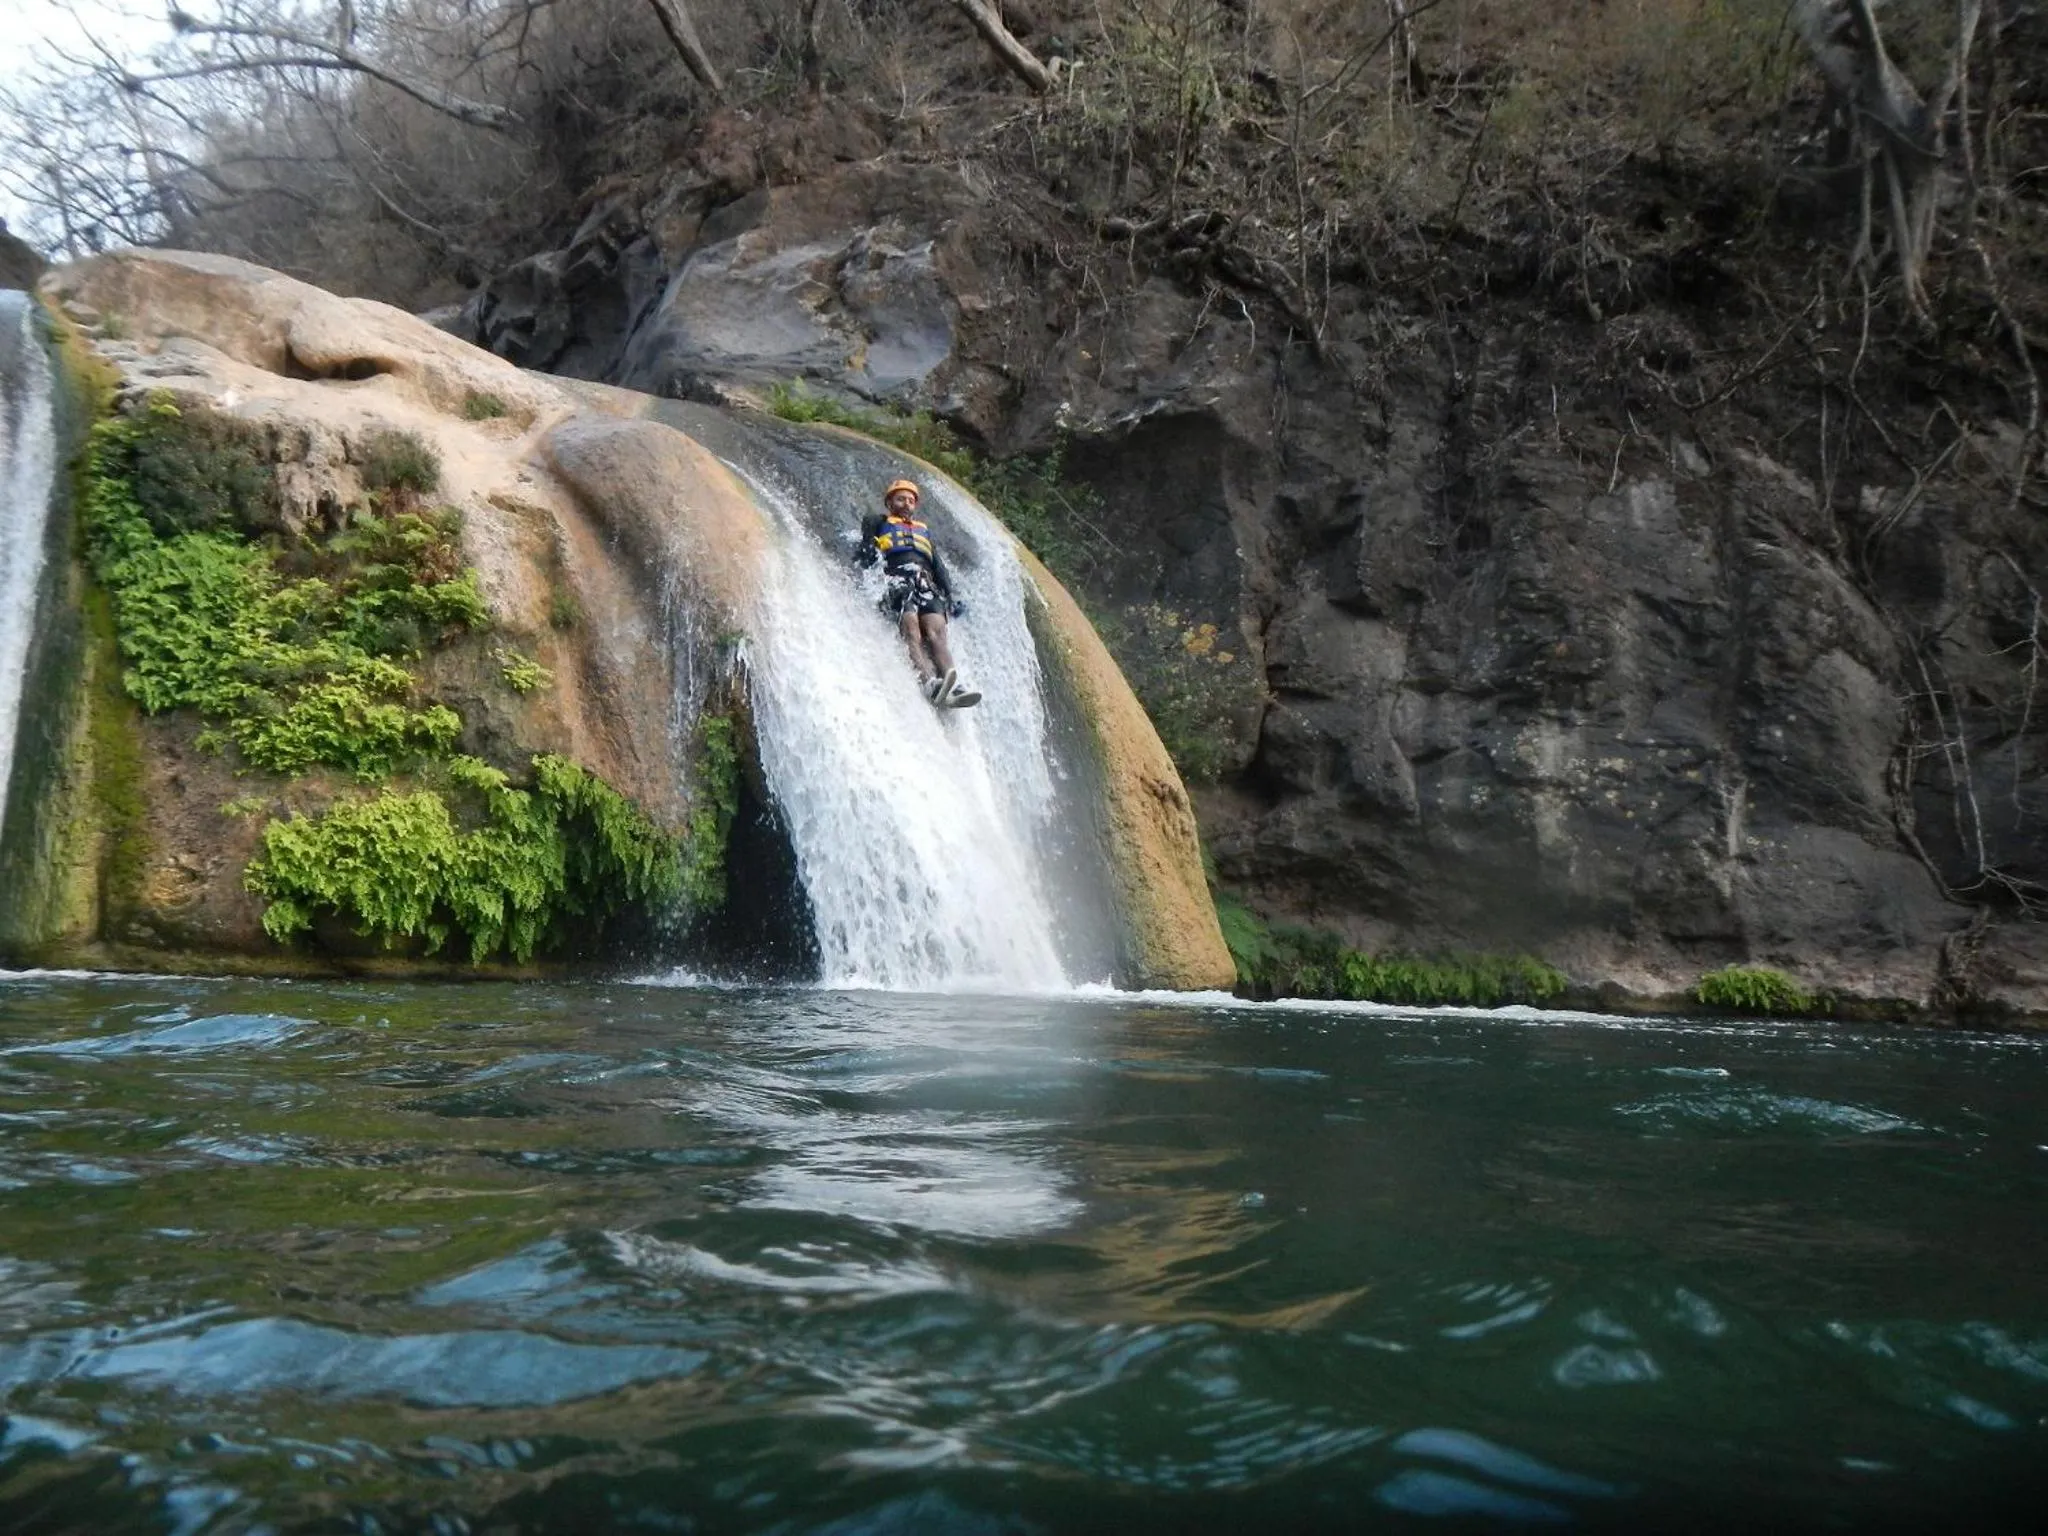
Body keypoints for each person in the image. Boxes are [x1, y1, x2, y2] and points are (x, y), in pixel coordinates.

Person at [855, 477, 971, 703]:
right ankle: (929, 682)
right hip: (897, 580)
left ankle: (954, 686)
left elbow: (938, 566)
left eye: (910, 500)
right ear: (889, 503)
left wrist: (950, 596)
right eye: (900, 499)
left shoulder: (923, 531)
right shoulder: (878, 522)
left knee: (937, 632)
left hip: (925, 583)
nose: (906, 504)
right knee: (911, 629)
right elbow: (866, 548)